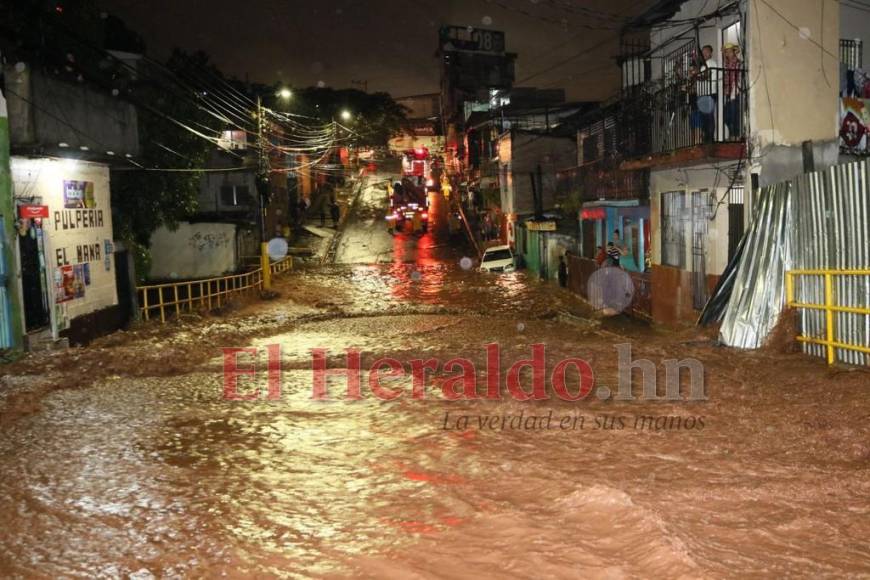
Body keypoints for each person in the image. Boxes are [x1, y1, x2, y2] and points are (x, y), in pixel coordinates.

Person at [722, 42, 742, 139]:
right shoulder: (726, 64)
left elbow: (738, 78)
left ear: (734, 52)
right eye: (726, 52)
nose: (727, 54)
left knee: (734, 114)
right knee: (727, 115)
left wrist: (735, 90)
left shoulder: (738, 62)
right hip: (727, 91)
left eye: (729, 51)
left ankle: (736, 135)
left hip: (735, 91)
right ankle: (731, 134)